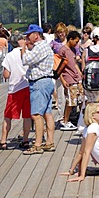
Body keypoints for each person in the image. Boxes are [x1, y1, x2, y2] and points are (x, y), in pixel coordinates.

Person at [20, 24, 55, 155]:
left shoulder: (40, 47)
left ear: (36, 35)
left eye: (29, 35)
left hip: (39, 83)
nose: (27, 38)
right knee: (47, 113)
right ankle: (49, 142)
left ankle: (37, 145)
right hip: (46, 81)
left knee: (36, 115)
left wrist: (23, 47)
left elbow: (26, 60)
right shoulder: (45, 46)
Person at [0, 33, 31, 150]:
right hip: (27, 86)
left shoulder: (9, 55)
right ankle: (26, 140)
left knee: (8, 116)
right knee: (27, 116)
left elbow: (6, 75)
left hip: (15, 89)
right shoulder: (28, 53)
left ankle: (3, 140)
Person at [59, 30, 83, 131]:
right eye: (76, 41)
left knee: (80, 99)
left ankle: (81, 119)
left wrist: (80, 73)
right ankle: (65, 120)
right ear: (70, 39)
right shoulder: (63, 50)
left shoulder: (72, 50)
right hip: (68, 78)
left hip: (76, 78)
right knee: (70, 101)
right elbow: (58, 66)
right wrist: (62, 80)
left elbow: (74, 64)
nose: (76, 44)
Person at [50, 22, 68, 122]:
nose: (60, 34)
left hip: (69, 70)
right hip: (59, 70)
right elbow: (47, 51)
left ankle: (70, 115)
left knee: (70, 94)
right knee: (60, 94)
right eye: (58, 32)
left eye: (62, 32)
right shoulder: (54, 43)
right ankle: (61, 115)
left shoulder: (69, 41)